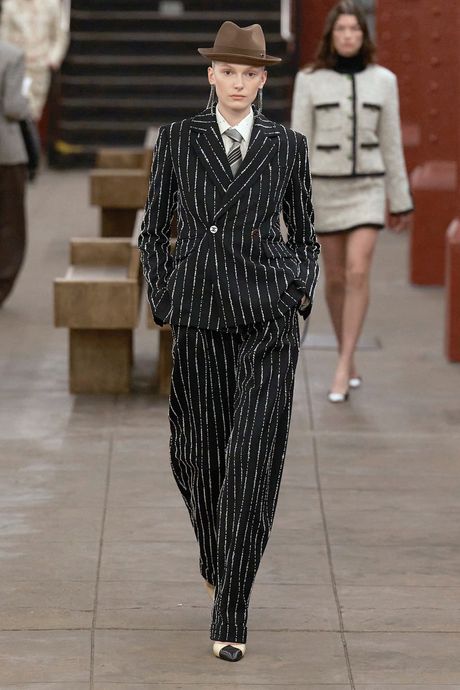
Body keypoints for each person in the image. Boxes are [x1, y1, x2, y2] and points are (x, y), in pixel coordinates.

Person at [138, 21, 319, 662]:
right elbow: (154, 230)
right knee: (195, 455)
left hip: (267, 316)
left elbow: (304, 232)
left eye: (250, 73)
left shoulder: (287, 146)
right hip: (199, 316)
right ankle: (217, 558)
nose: (239, 83)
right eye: (229, 72)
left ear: (263, 80)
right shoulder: (178, 140)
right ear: (210, 75)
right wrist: (165, 299)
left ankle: (231, 607)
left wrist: (297, 292)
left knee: (254, 460)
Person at [291, 0, 413, 402]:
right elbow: (299, 144)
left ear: (364, 36)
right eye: (341, 29)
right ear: (331, 35)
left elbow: (392, 142)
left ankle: (343, 365)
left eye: (355, 30)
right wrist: (294, 201)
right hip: (324, 190)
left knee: (358, 271)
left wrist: (400, 199)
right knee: (336, 278)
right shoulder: (309, 80)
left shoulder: (385, 81)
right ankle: (350, 350)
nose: (348, 36)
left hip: (368, 190)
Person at [0, 0, 69, 121]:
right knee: (13, 108)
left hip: (40, 66)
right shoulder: (10, 4)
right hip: (17, 68)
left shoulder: (51, 4)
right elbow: (4, 36)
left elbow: (61, 35)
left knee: (35, 112)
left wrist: (52, 59)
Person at [0, 39, 30, 306]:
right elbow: (14, 107)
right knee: (10, 223)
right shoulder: (10, 54)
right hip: (5, 153)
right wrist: (28, 103)